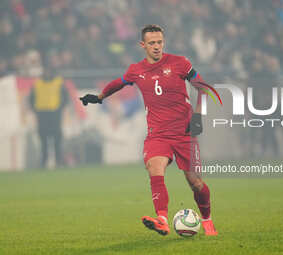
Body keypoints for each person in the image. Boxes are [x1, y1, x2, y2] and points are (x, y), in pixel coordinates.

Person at [80, 24, 218, 236]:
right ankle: (161, 218)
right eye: (152, 43)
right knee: (155, 169)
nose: (156, 47)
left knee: (195, 183)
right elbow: (119, 83)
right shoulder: (136, 70)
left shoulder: (180, 63)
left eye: (160, 42)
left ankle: (207, 220)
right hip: (158, 134)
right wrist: (99, 98)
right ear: (142, 45)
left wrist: (198, 115)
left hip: (184, 133)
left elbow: (202, 87)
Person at [29, 64, 68, 168]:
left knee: (57, 139)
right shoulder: (37, 83)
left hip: (55, 113)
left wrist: (61, 108)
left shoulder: (59, 82)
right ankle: (44, 161)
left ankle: (58, 161)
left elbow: (65, 97)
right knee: (43, 140)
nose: (47, 73)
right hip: (42, 114)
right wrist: (35, 110)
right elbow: (31, 98)